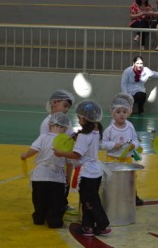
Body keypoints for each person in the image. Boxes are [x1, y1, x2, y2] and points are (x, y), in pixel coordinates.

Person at [54, 99, 111, 237]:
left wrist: (60, 152)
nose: (78, 120)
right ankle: (88, 227)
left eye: (80, 117)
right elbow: (88, 143)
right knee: (89, 201)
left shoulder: (84, 136)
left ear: (86, 118)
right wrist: (78, 137)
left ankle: (103, 225)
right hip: (96, 171)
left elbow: (76, 155)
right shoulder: (97, 131)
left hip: (87, 174)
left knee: (89, 202)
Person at [20, 112, 72, 228]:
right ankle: (54, 220)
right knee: (56, 201)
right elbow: (69, 163)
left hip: (40, 176)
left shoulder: (43, 137)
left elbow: (33, 150)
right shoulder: (67, 141)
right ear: (65, 128)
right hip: (57, 179)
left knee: (39, 199)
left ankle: (39, 217)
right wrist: (68, 178)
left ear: (50, 125)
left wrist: (25, 155)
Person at [101, 95, 144, 206]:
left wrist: (134, 145)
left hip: (127, 158)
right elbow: (103, 144)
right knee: (112, 180)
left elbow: (135, 139)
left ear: (128, 113)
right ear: (112, 113)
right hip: (113, 159)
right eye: (118, 112)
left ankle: (132, 196)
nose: (121, 114)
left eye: (124, 112)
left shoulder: (130, 126)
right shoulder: (109, 130)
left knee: (130, 179)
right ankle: (112, 198)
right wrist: (113, 145)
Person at [39, 89, 75, 211]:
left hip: (65, 159)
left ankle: (63, 203)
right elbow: (45, 142)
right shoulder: (47, 122)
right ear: (54, 103)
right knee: (52, 184)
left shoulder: (67, 121)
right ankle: (50, 205)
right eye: (64, 106)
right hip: (52, 160)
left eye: (68, 108)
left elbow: (69, 137)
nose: (66, 110)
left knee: (65, 182)